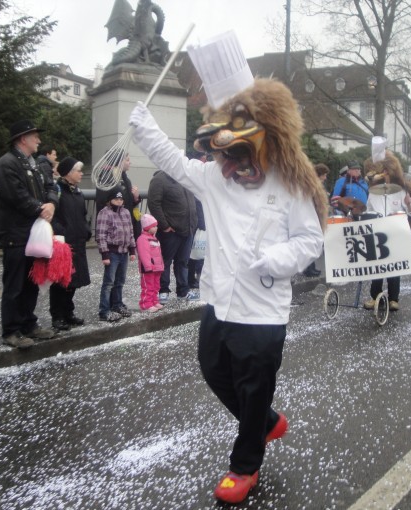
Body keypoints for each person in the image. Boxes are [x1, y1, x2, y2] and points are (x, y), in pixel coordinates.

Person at [130, 77, 326, 504]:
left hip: (263, 308)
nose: (227, 163)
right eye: (222, 155)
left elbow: (310, 240)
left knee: (253, 388)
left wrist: (275, 259)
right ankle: (265, 422)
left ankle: (245, 465)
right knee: (213, 368)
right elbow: (174, 161)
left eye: (235, 154)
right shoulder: (215, 180)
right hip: (219, 301)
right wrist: (144, 126)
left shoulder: (290, 185)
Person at [0, 119, 59, 349]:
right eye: (35, 136)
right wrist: (41, 208)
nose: (39, 140)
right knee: (15, 284)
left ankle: (28, 323)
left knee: (32, 281)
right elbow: (16, 196)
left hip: (34, 233)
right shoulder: (7, 164)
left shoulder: (35, 164)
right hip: (16, 234)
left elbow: (51, 186)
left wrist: (51, 203)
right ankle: (11, 330)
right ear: (23, 139)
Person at [362, 152, 411, 312]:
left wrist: (409, 204)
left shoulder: (400, 191)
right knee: (377, 266)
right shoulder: (373, 193)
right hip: (378, 233)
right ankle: (375, 297)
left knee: (394, 266)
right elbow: (368, 210)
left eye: (385, 171)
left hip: (395, 233)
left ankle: (394, 298)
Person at [49, 157, 91, 331]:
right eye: (78, 171)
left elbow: (83, 215)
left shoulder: (78, 192)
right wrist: (62, 232)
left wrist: (86, 230)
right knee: (61, 281)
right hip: (63, 244)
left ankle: (68, 312)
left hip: (78, 242)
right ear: (68, 173)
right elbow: (52, 216)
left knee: (73, 281)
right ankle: (57, 316)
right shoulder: (57, 190)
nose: (81, 173)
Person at [147, 168, 198, 303]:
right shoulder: (160, 179)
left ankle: (183, 291)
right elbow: (153, 203)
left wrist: (194, 223)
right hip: (170, 231)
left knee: (183, 262)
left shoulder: (184, 177)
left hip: (188, 229)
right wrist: (165, 226)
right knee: (165, 261)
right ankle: (163, 290)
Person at [96, 186, 137, 321]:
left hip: (124, 252)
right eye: (116, 198)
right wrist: (105, 254)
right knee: (109, 282)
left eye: (121, 199)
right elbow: (101, 235)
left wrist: (132, 249)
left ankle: (117, 304)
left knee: (120, 281)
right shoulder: (105, 213)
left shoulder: (126, 212)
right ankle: (104, 310)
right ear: (110, 200)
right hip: (112, 253)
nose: (119, 201)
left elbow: (130, 232)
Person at [95, 152, 142, 239]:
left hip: (125, 226)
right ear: (119, 162)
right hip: (112, 228)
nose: (130, 162)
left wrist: (136, 198)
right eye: (127, 160)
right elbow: (102, 203)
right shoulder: (106, 179)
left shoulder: (125, 179)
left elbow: (127, 203)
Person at [304, 162, 330, 277]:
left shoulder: (313, 184)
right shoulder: (313, 185)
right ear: (320, 174)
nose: (325, 177)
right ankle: (308, 268)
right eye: (324, 175)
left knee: (313, 242)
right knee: (311, 242)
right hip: (311, 216)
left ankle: (311, 267)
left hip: (314, 215)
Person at [136, 213, 164, 312]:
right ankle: (146, 304)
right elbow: (144, 254)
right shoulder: (142, 239)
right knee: (148, 286)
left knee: (156, 286)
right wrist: (148, 267)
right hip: (149, 269)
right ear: (148, 227)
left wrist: (161, 266)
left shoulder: (154, 238)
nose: (156, 228)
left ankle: (154, 301)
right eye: (154, 226)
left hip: (156, 268)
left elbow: (159, 254)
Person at [187, 197, 206, 291]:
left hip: (192, 228)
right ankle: (195, 278)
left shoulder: (194, 197)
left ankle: (191, 279)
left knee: (192, 256)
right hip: (197, 229)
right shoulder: (199, 198)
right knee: (196, 256)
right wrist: (203, 227)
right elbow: (200, 214)